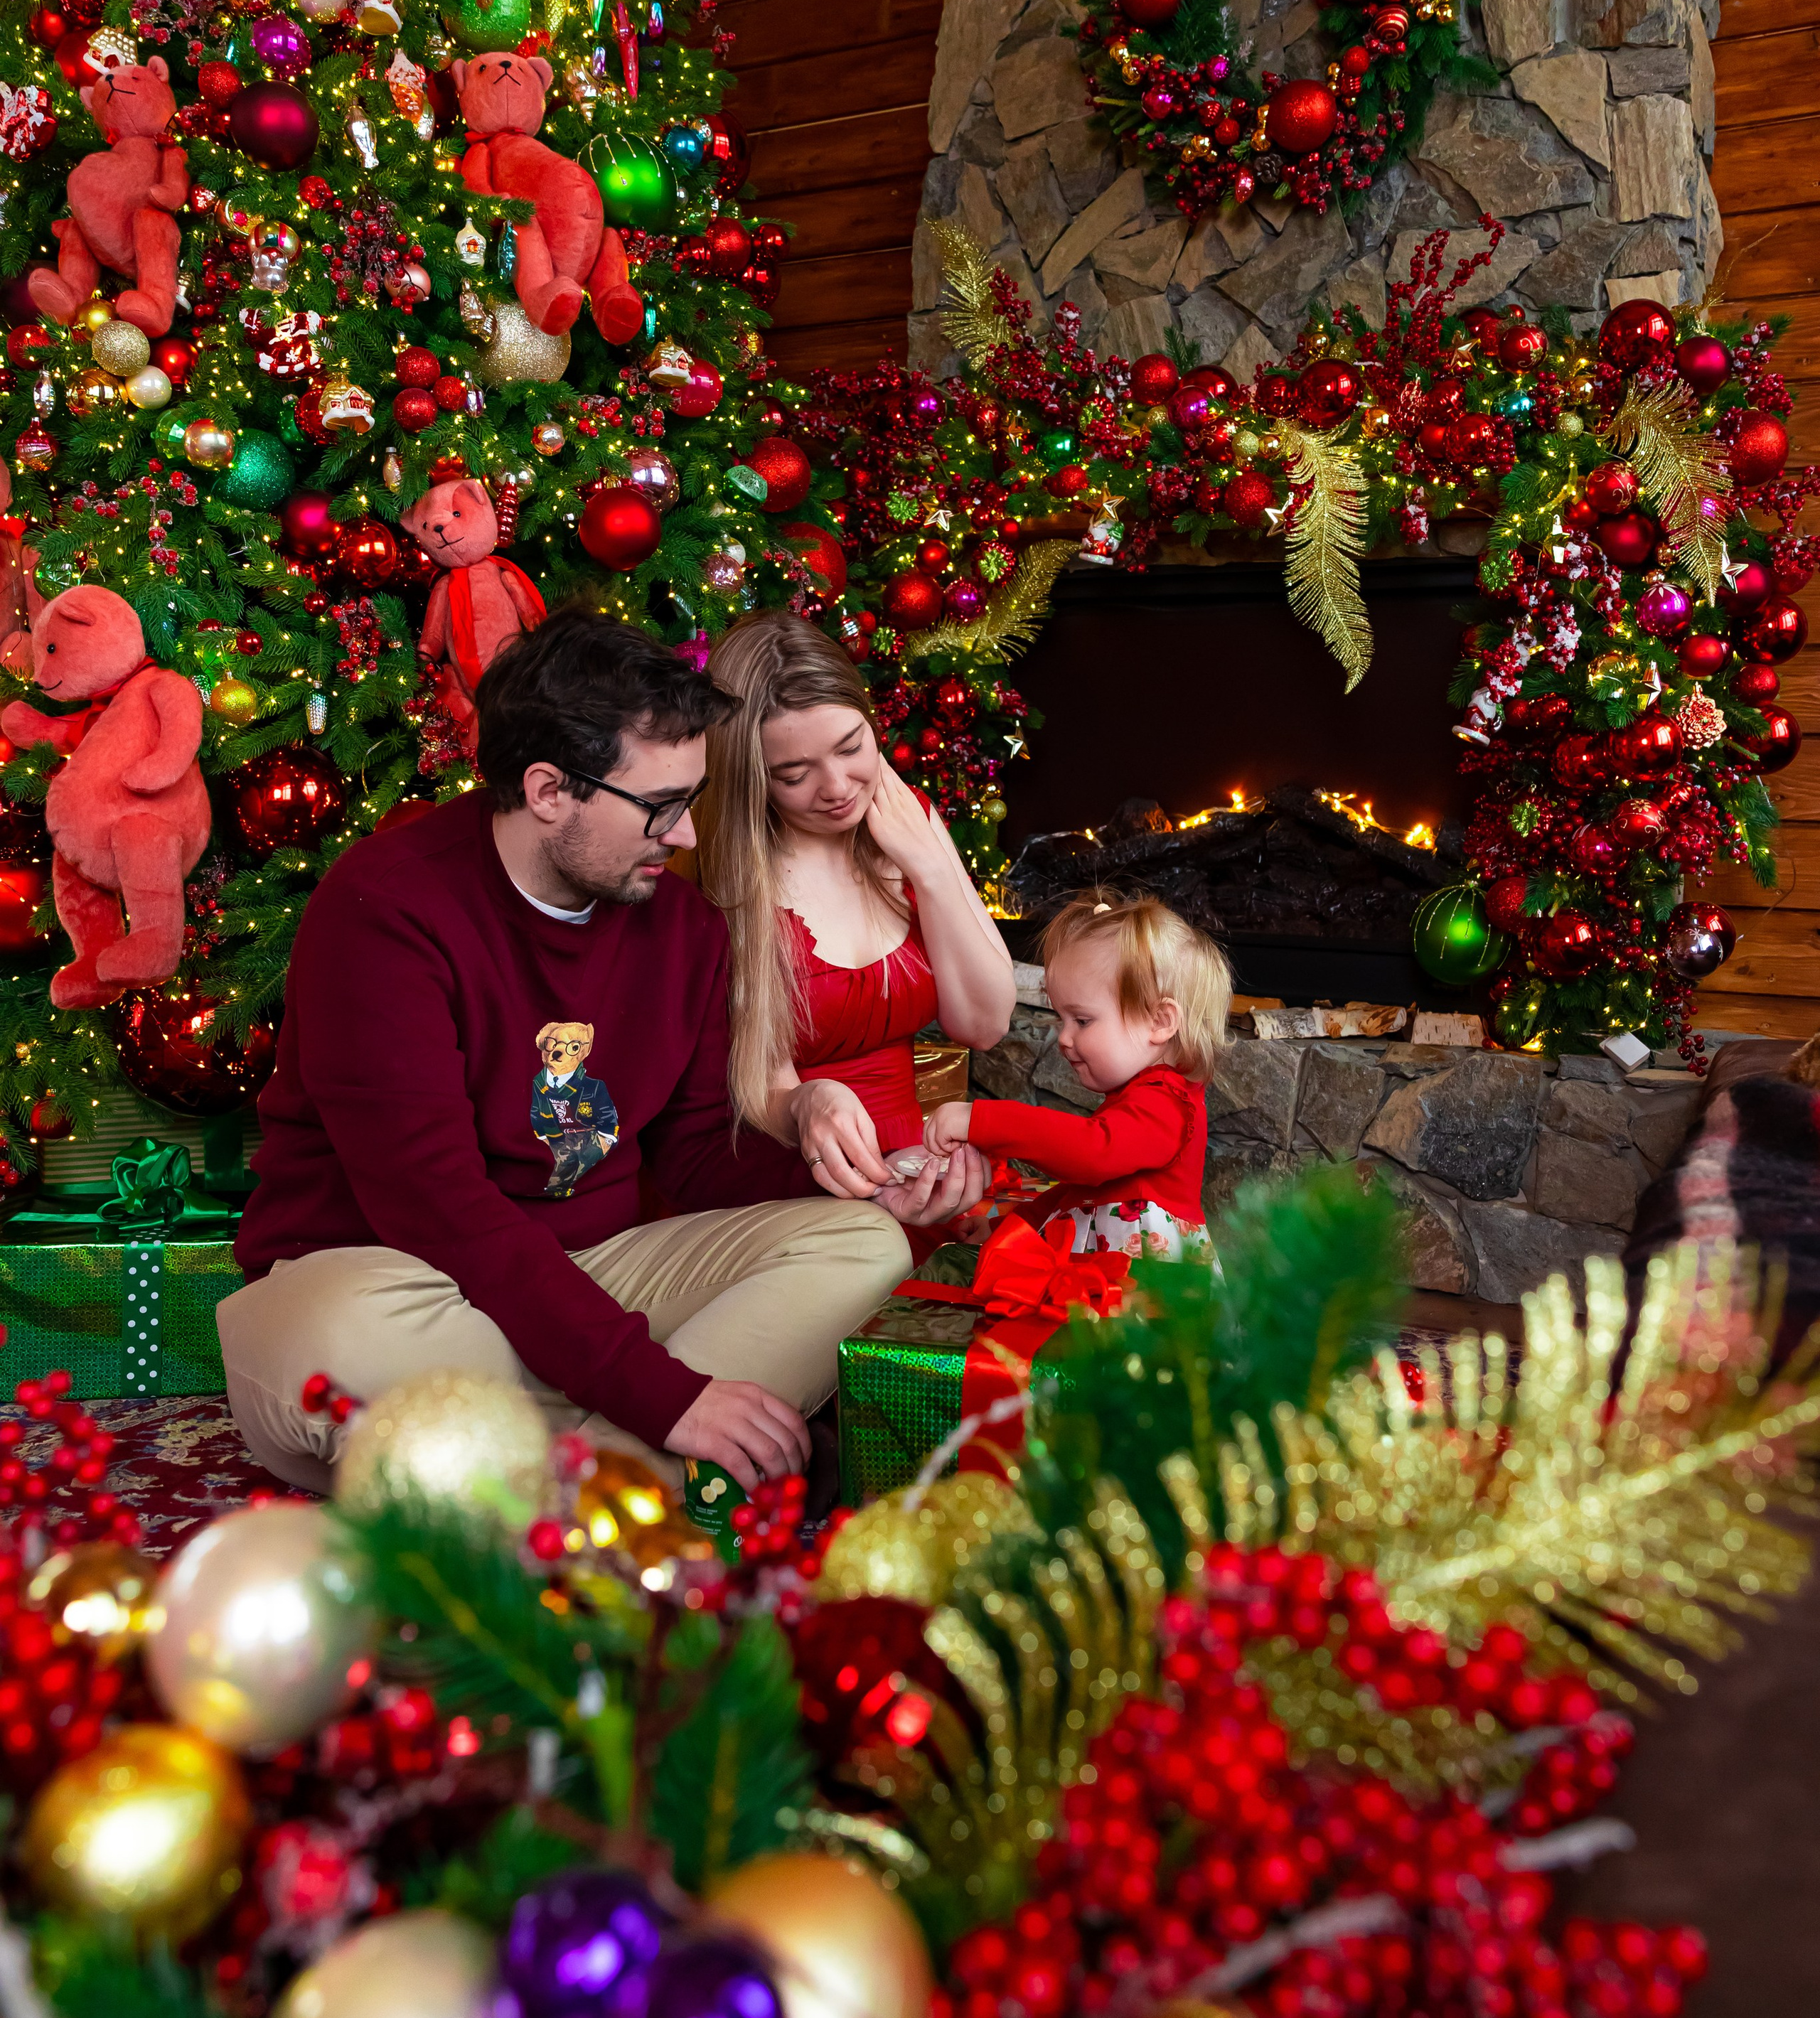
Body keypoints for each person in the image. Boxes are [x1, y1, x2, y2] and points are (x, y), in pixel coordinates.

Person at [218, 608, 986, 1494]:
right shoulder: (386, 908)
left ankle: (549, 1488)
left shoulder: (682, 928)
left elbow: (696, 1159)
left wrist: (879, 1178)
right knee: (342, 1341)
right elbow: (438, 1210)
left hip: (593, 1276)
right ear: (549, 791)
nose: (688, 837)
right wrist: (667, 1396)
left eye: (691, 802)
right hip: (397, 1276)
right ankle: (647, 1469)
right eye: (661, 807)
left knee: (862, 1243)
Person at [695, 611, 1016, 1198]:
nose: (839, 787)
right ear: (753, 780)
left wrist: (930, 869)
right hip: (792, 1171)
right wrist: (810, 1103)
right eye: (794, 774)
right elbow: (759, 1088)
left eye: (851, 748)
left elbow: (984, 1024)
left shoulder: (906, 817)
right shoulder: (731, 880)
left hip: (912, 1157)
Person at [924, 889, 1229, 1260]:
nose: (1064, 1038)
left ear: (1159, 1021)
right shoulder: (1142, 1095)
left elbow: (1091, 1155)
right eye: (1060, 1019)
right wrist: (1005, 1228)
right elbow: (1079, 1190)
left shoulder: (1168, 1104)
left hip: (1149, 1300)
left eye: (1082, 1020)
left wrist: (982, 1119)